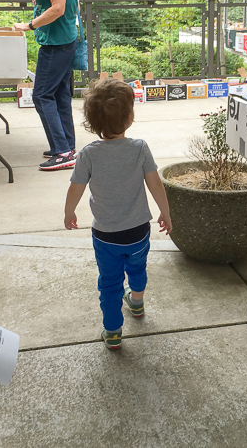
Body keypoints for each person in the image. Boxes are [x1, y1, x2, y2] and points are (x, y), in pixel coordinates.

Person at [64, 78, 172, 350]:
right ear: (129, 117)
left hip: (105, 235)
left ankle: (112, 331)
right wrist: (165, 211)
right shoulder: (140, 148)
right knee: (137, 268)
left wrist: (69, 212)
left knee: (110, 283)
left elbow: (76, 187)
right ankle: (136, 302)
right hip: (138, 231)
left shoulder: (88, 154)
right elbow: (155, 183)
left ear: (92, 122)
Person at [13, 0, 80, 171]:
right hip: (65, 40)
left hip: (56, 43)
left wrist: (28, 25)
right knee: (59, 95)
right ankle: (66, 146)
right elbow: (69, 2)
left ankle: (63, 153)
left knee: (41, 95)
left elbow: (58, 7)